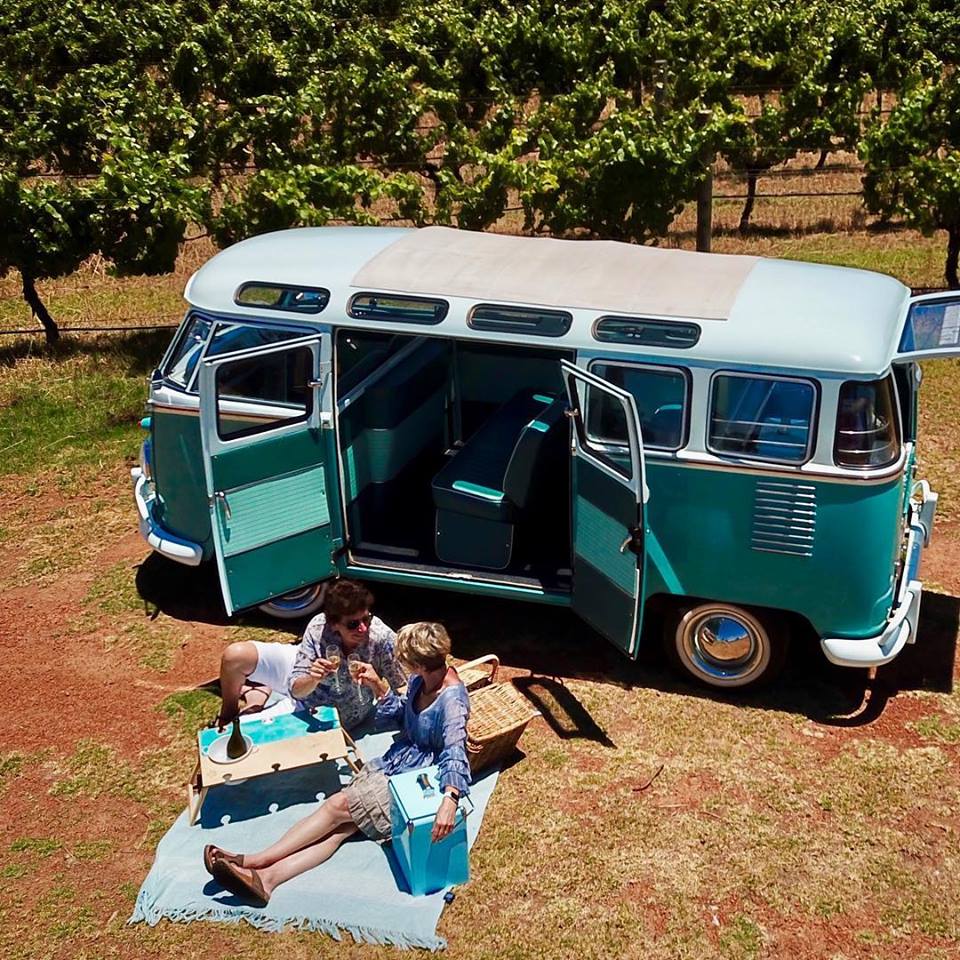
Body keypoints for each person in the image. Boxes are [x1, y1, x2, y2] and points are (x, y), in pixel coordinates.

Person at [203, 622, 471, 906]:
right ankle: (268, 879)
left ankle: (257, 860)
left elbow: (456, 750)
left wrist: (449, 800)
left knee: (338, 807)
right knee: (341, 829)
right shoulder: (421, 681)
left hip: (421, 778)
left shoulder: (453, 700)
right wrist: (379, 687)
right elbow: (405, 716)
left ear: (419, 664)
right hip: (400, 761)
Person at [214, 579, 405, 731]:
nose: (363, 628)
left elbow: (404, 689)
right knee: (235, 656)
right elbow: (296, 687)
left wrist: (378, 685)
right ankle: (228, 712)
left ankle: (255, 700)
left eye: (366, 619)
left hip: (314, 709)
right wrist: (312, 679)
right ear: (334, 625)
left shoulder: (381, 638)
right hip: (304, 685)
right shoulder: (318, 627)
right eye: (353, 624)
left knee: (240, 732)